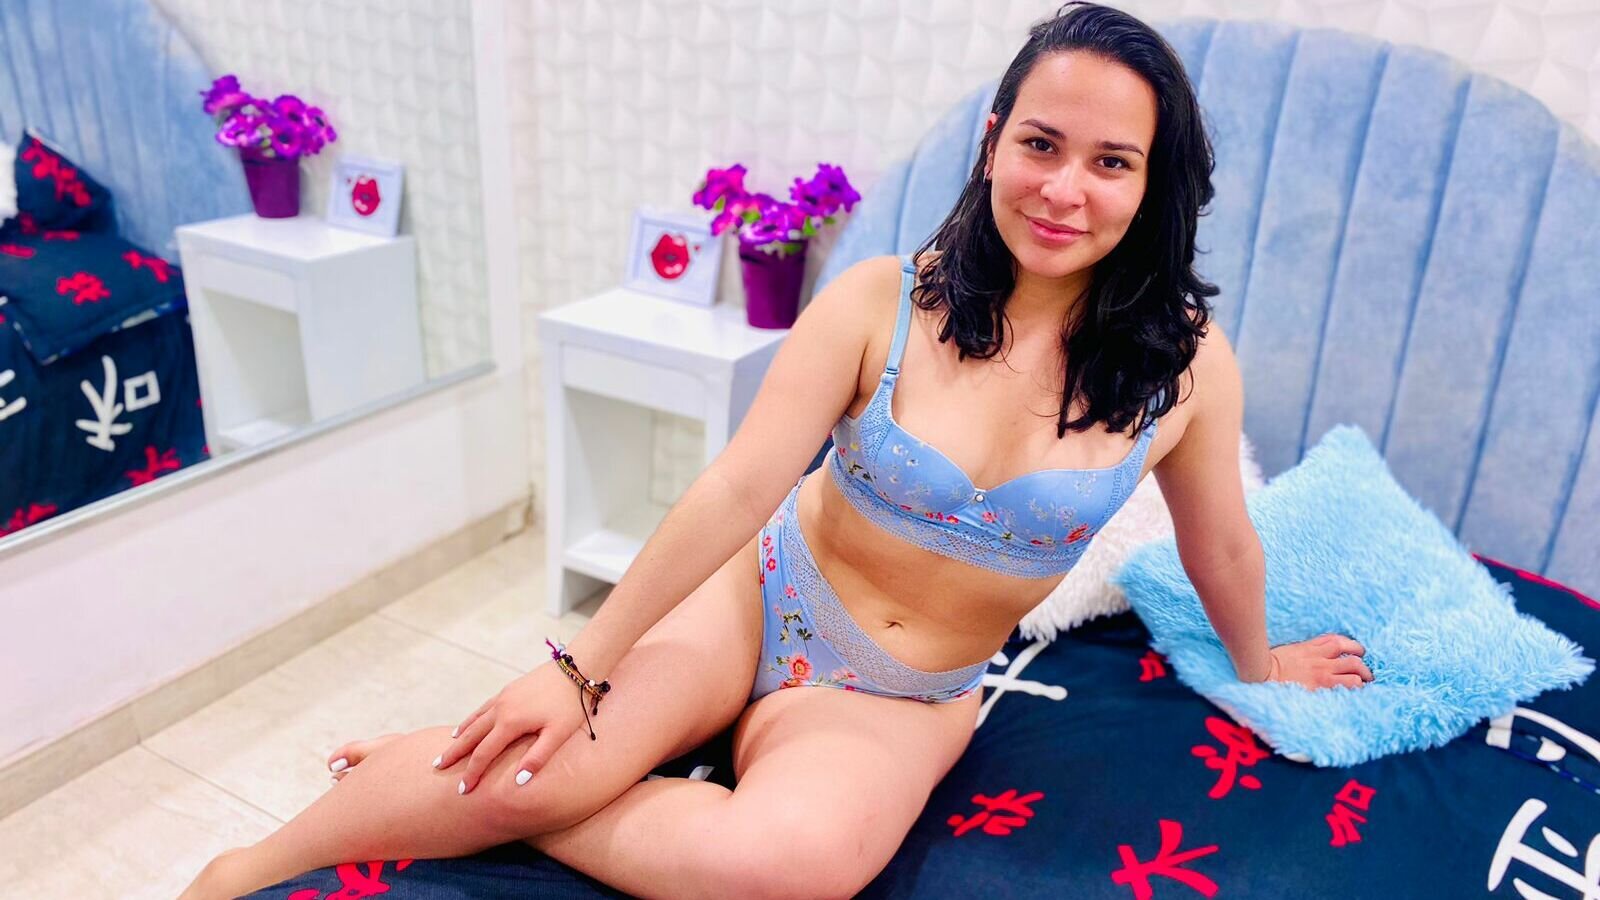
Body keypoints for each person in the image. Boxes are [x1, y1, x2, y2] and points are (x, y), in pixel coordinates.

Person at [183, 3, 1372, 897]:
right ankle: (241, 871)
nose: (1065, 189)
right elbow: (739, 484)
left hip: (905, 694)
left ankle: (491, 796)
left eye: (1111, 163)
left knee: (789, 869)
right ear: (993, 141)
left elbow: (1220, 542)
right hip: (762, 596)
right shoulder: (879, 300)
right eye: (1040, 144)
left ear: (1152, 184)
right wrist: (582, 665)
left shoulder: (1185, 368)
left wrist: (1260, 661)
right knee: (547, 751)